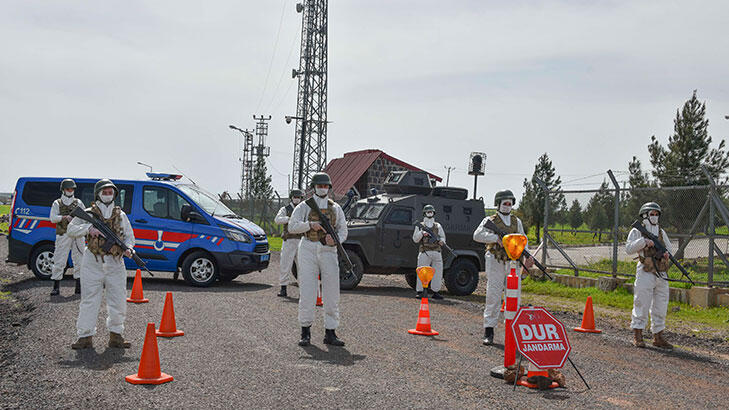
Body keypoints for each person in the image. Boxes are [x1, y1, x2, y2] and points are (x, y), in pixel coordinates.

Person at [67, 179, 135, 350]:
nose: (107, 194)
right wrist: (88, 229)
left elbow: (129, 237)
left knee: (118, 299)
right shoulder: (88, 213)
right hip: (93, 260)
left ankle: (116, 335)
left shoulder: (121, 215)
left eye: (110, 192)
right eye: (104, 192)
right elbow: (70, 229)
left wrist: (130, 249)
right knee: (89, 299)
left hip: (115, 262)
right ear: (98, 193)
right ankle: (85, 337)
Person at [287, 173, 347, 347]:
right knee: (307, 291)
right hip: (308, 248)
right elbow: (292, 226)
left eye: (326, 186)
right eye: (320, 186)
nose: (323, 188)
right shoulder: (304, 206)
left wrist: (336, 240)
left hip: (329, 251)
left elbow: (343, 230)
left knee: (332, 292)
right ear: (313, 187)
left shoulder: (335, 207)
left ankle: (331, 332)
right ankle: (305, 331)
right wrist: (310, 225)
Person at [473, 190, 533, 345]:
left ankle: (512, 331)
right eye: (505, 203)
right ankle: (489, 330)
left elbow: (523, 239)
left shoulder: (516, 221)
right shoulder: (490, 219)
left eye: (510, 203)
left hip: (513, 262)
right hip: (495, 261)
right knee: (493, 296)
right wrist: (495, 238)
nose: (508, 206)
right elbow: (477, 235)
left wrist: (529, 256)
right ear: (498, 203)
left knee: (514, 296)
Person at [626, 202, 673, 349]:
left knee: (661, 303)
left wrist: (666, 254)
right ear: (645, 215)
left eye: (657, 214)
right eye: (652, 214)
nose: (655, 216)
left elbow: (669, 249)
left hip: (661, 271)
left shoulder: (661, 232)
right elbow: (628, 249)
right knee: (641, 302)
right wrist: (643, 242)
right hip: (645, 270)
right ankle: (638, 334)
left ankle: (658, 336)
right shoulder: (637, 231)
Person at [49, 179, 86, 296]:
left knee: (79, 259)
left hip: (77, 234)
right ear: (63, 190)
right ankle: (56, 286)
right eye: (68, 189)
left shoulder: (79, 202)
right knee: (59, 259)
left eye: (72, 189)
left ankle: (78, 286)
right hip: (63, 233)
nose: (70, 191)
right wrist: (64, 217)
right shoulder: (57, 203)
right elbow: (52, 218)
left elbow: (85, 216)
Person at [273, 189, 304, 297]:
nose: (297, 199)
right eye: (295, 197)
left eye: (299, 197)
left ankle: (302, 291)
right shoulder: (285, 209)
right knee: (285, 264)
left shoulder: (302, 209)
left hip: (301, 241)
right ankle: (283, 288)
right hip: (289, 240)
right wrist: (289, 219)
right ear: (291, 197)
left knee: (302, 266)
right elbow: (277, 220)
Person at [412, 204, 446, 299]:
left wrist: (441, 241)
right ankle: (420, 291)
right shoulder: (421, 226)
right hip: (424, 251)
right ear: (424, 213)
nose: (430, 213)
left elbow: (443, 237)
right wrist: (422, 233)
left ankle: (435, 291)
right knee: (422, 271)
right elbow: (415, 239)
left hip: (436, 252)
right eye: (428, 211)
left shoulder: (438, 225)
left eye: (431, 211)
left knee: (438, 272)